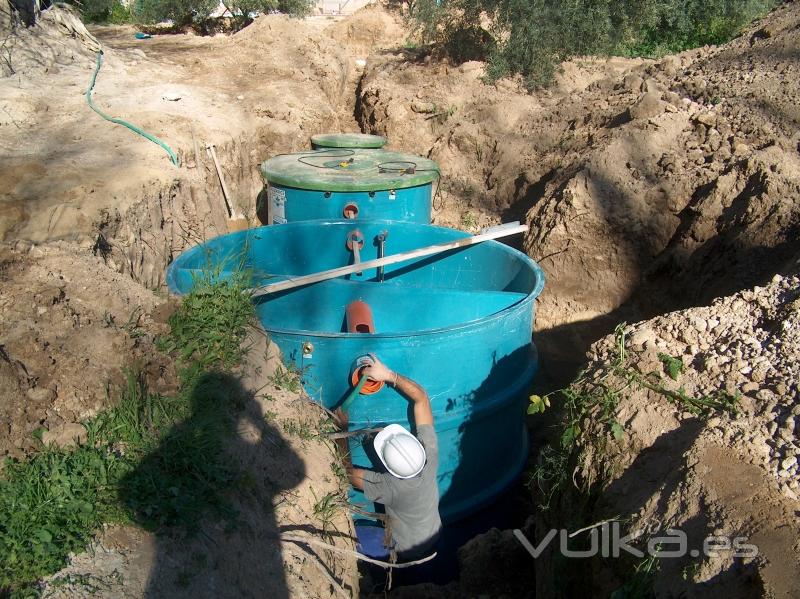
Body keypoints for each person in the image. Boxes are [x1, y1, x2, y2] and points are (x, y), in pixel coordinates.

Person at [334, 356, 441, 561]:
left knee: (341, 536)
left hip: (404, 549)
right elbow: (422, 398)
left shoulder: (389, 486)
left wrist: (341, 430)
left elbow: (346, 473)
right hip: (434, 535)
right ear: (416, 446)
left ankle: (379, 576)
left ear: (388, 467)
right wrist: (388, 375)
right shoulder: (429, 457)